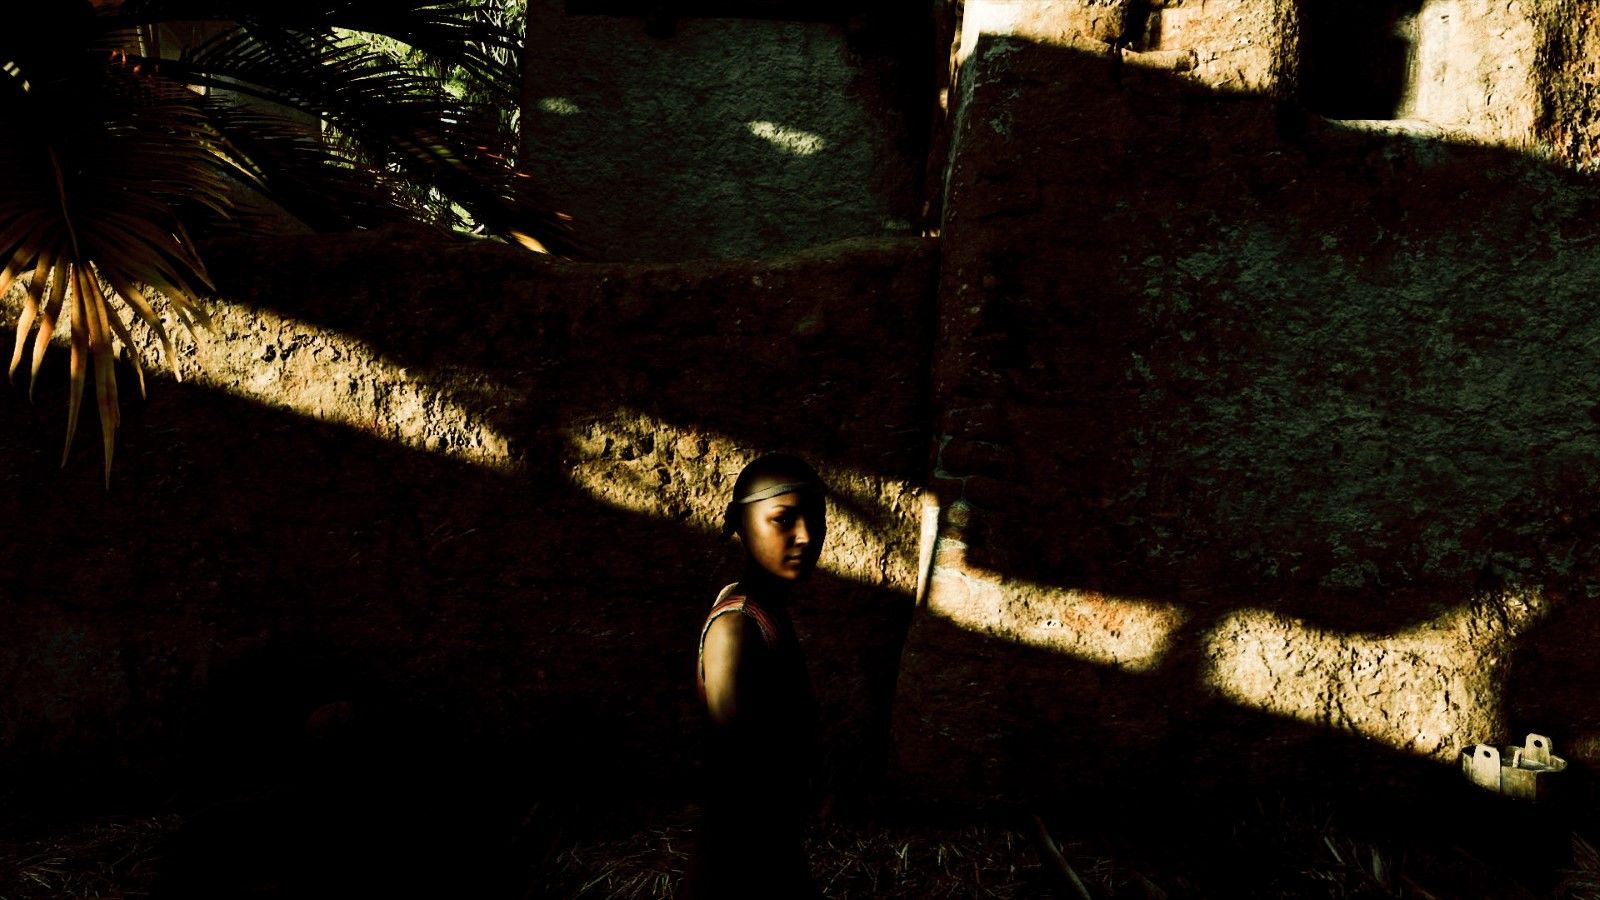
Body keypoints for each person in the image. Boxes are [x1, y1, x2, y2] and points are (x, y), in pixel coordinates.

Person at [682, 453, 826, 899]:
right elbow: (739, 774)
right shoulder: (737, 626)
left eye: (815, 518)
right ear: (742, 527)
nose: (806, 535)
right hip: (741, 862)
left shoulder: (766, 611)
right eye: (783, 519)